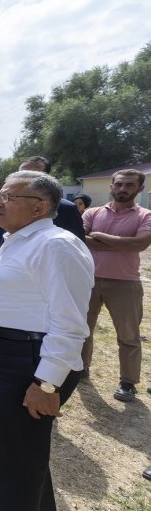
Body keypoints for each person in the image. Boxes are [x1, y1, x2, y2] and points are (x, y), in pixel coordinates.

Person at [0, 170, 93, 511]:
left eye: (8, 197)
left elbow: (70, 323)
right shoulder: (19, 239)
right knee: (21, 454)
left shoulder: (56, 245)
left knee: (16, 458)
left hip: (28, 362)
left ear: (39, 207)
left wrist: (47, 384)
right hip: (6, 357)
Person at [81, 169, 151, 400]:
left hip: (125, 283)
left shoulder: (145, 216)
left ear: (139, 189)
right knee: (82, 329)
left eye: (129, 185)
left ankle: (128, 382)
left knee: (128, 335)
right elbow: (81, 238)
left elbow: (140, 244)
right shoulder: (93, 212)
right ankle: (81, 368)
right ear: (112, 186)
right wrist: (123, 243)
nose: (123, 189)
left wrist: (99, 236)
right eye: (119, 184)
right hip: (88, 280)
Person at [18, 156, 85, 241]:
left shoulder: (66, 209)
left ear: (46, 178)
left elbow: (77, 245)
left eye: (32, 176)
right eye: (21, 175)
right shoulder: (6, 206)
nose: (25, 180)